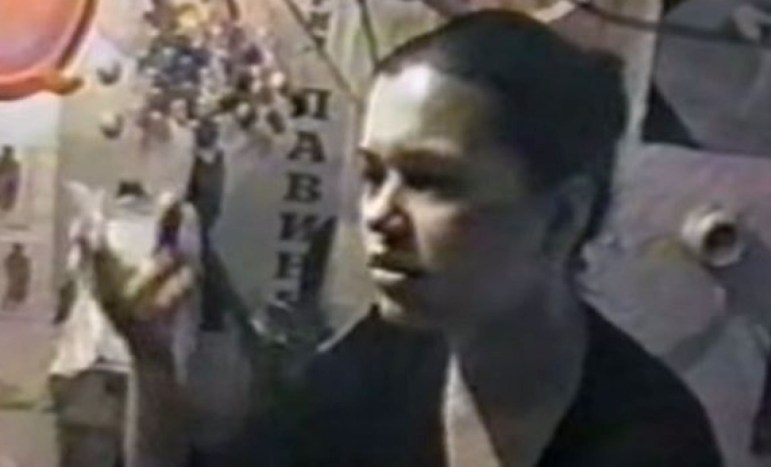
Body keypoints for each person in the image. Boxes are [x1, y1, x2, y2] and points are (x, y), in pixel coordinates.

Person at [79, 10, 723, 467]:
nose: (380, 214)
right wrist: (152, 361)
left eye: (430, 180)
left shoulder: (649, 439)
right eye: (371, 175)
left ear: (561, 218)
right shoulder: (386, 358)